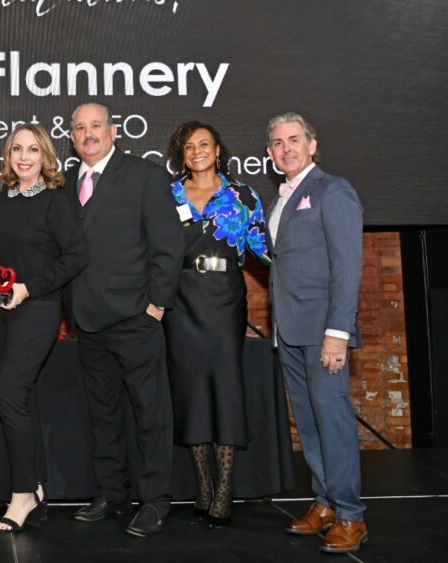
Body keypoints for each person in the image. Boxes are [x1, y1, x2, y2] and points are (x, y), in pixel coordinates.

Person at [64, 103, 183, 537]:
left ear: (113, 131)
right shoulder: (66, 184)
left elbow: (168, 245)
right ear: (72, 137)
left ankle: (154, 501)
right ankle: (111, 492)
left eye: (96, 126)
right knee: (104, 414)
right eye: (80, 128)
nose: (88, 133)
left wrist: (157, 304)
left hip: (136, 317)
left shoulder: (145, 176)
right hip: (88, 322)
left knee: (150, 414)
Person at [265, 112, 367, 553]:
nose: (285, 148)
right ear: (269, 154)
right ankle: (325, 502)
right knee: (309, 425)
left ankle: (351, 515)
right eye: (277, 143)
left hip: (322, 330)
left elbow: (347, 268)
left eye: (293, 140)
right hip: (288, 330)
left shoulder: (334, 190)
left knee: (334, 422)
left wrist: (337, 332)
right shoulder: (281, 198)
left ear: (312, 144)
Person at [162, 121, 271, 528]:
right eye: (189, 147)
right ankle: (203, 486)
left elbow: (264, 246)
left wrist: (301, 273)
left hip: (225, 300)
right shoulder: (168, 193)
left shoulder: (243, 195)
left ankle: (225, 489)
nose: (197, 152)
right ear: (182, 154)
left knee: (224, 388)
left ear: (218, 149)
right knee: (190, 391)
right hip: (180, 300)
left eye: (204, 144)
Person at [0, 124, 88, 532]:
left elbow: (77, 255)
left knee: (8, 395)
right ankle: (36, 485)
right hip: (0, 311)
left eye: (32, 150)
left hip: (39, 308)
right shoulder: (0, 200)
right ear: (8, 156)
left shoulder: (55, 201)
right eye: (16, 149)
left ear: (45, 156)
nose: (24, 157)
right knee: (21, 400)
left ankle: (22, 494)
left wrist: (31, 288)